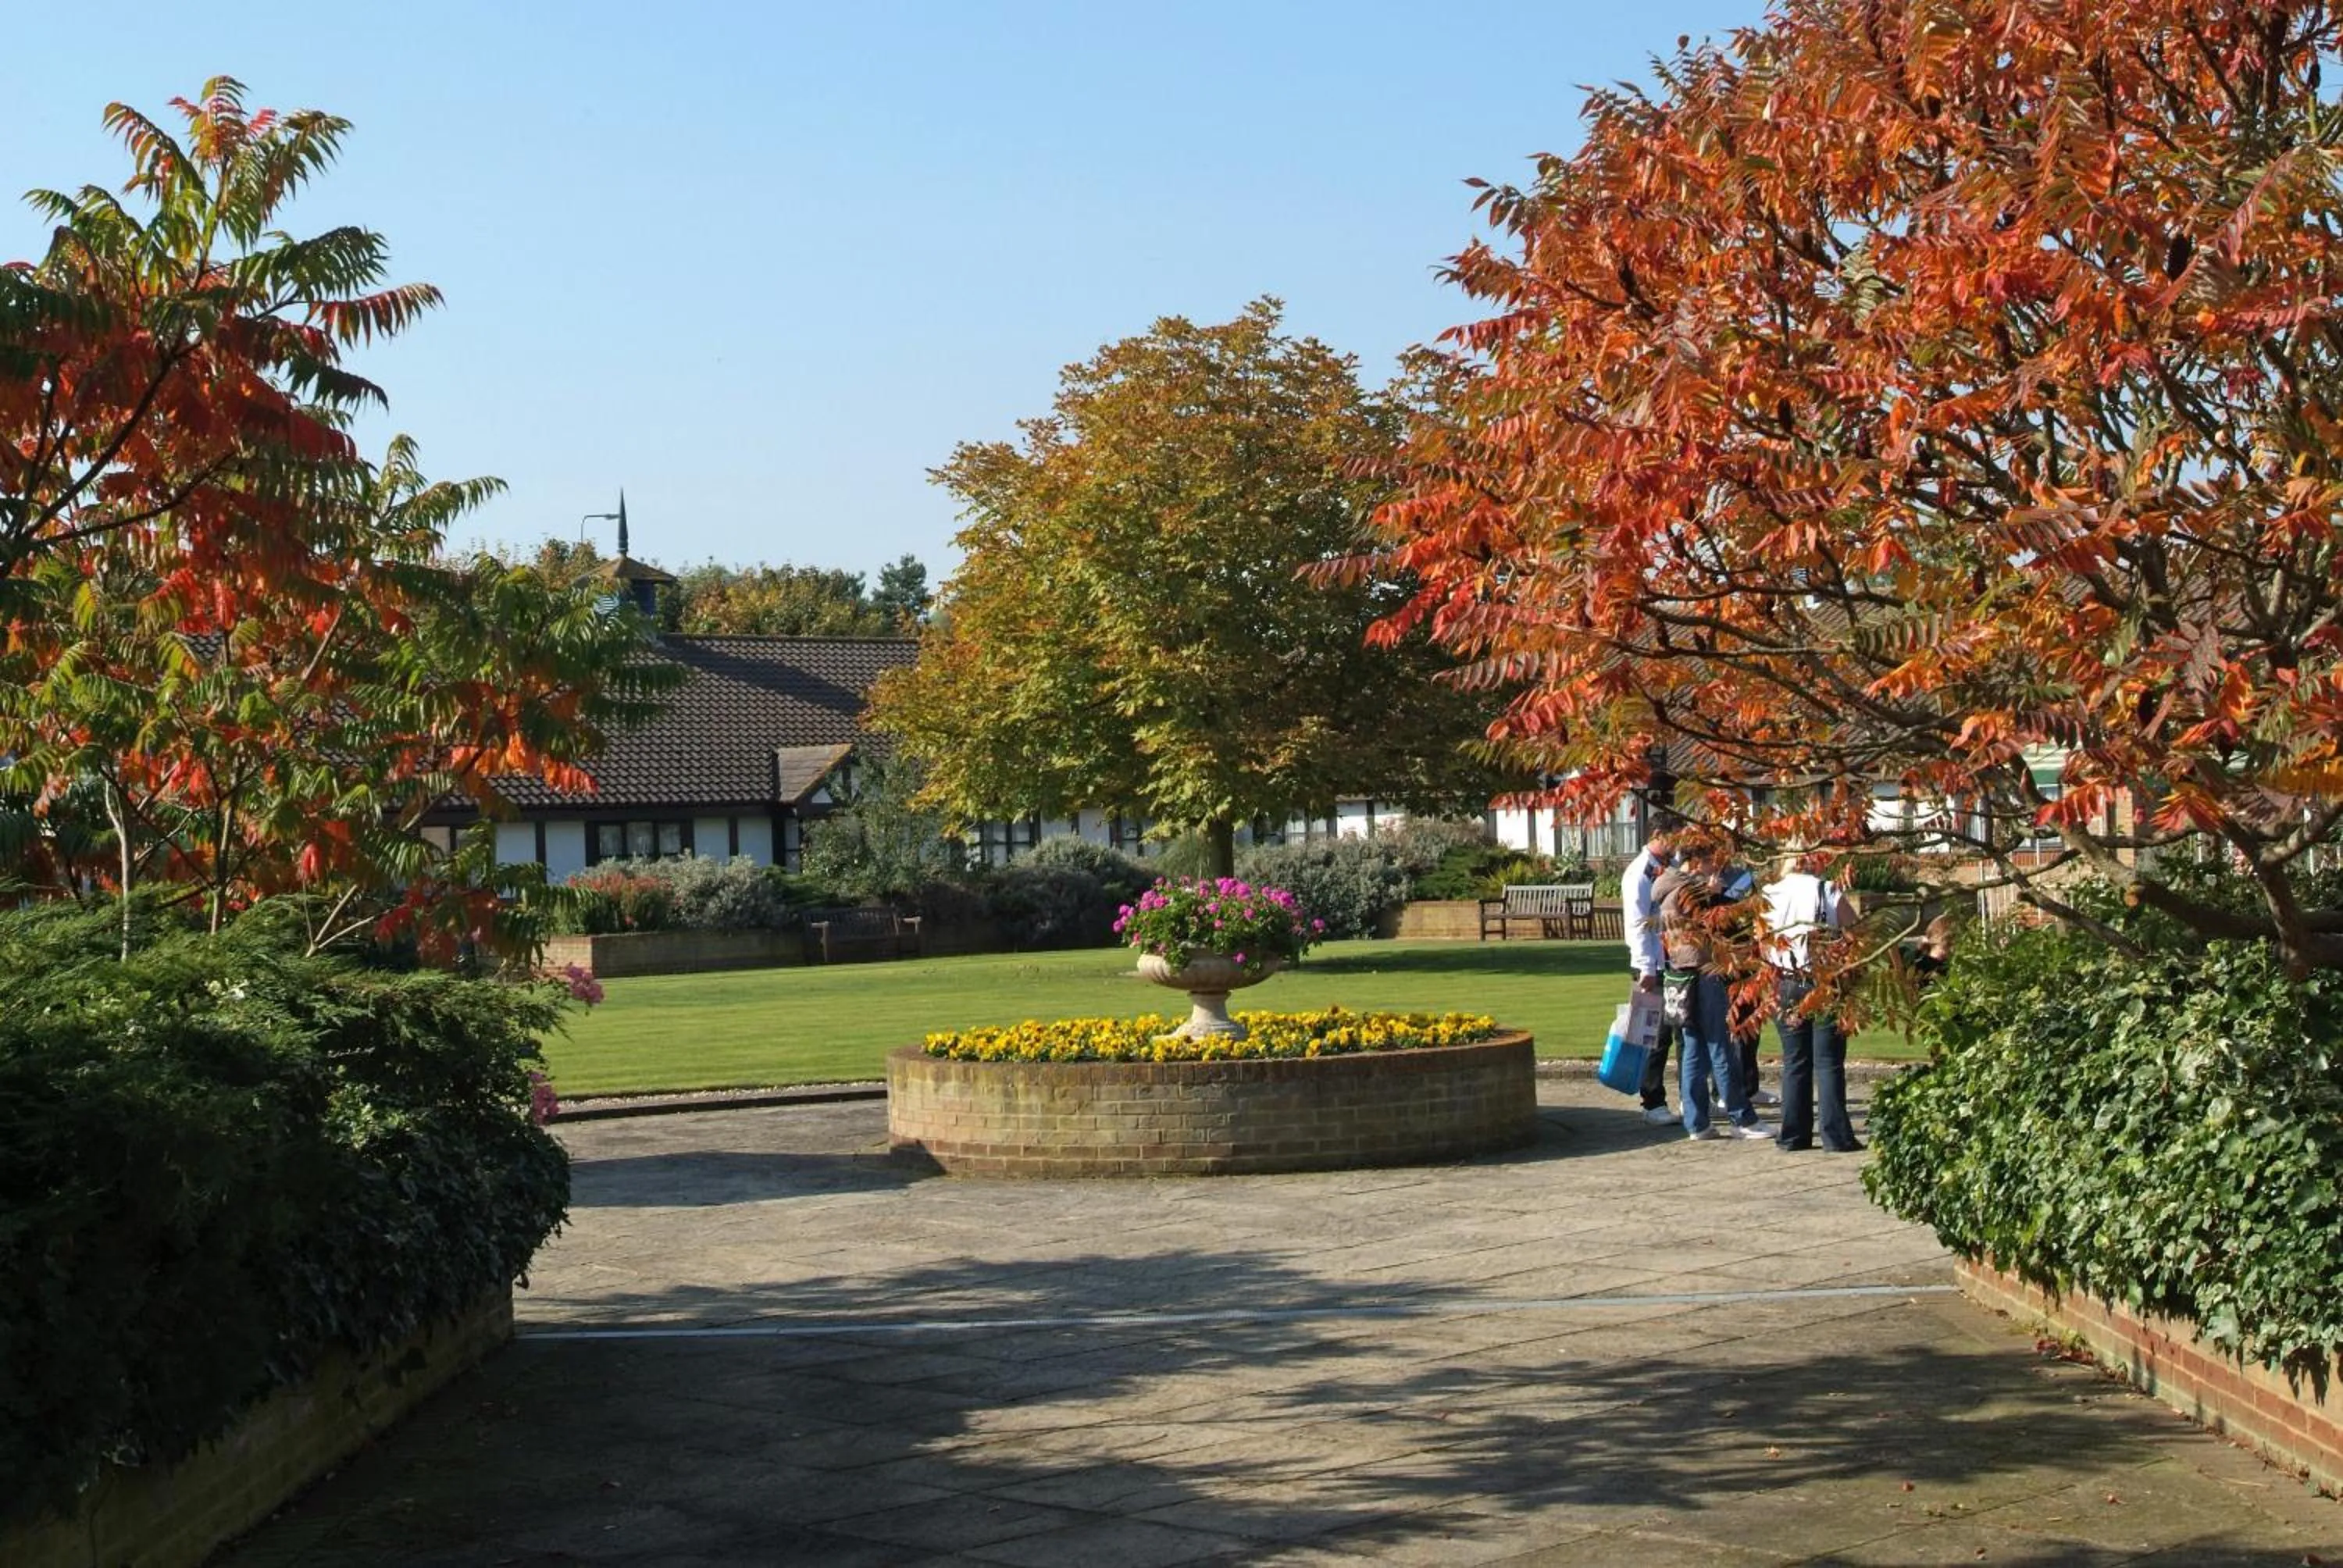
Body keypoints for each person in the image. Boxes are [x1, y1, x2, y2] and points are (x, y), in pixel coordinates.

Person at [1655, 843, 1770, 1142]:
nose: (1713, 868)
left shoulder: (1666, 887)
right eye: (1708, 862)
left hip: (1679, 973)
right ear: (1693, 864)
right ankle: (1741, 1116)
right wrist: (1715, 895)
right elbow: (1713, 926)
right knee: (1721, 1046)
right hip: (1702, 970)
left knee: (1693, 1050)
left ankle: (1697, 1122)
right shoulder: (1689, 891)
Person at [1760, 850, 1860, 1153]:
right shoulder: (1827, 890)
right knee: (1828, 1062)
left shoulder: (1768, 894)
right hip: (1821, 980)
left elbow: (1761, 941)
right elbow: (1855, 929)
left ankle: (1793, 1135)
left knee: (1795, 1062)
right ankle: (1835, 1136)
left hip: (1784, 979)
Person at [1620, 829, 1680, 1125]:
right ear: (1658, 834)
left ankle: (1685, 1097)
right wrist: (1645, 966)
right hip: (1651, 963)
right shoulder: (1640, 872)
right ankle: (1652, 1102)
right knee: (1654, 1035)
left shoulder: (1668, 865)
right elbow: (1637, 921)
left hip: (1668, 959)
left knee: (1673, 1030)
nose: (1677, 845)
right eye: (1673, 838)